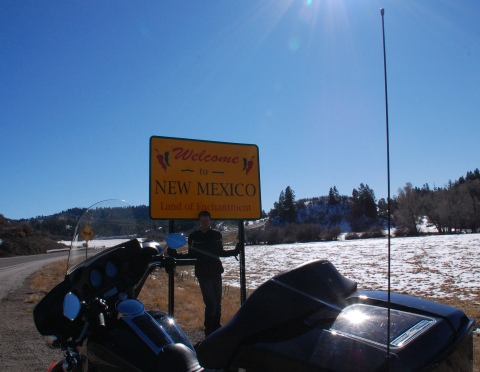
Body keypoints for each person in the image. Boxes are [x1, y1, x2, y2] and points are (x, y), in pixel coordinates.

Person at [173, 210, 239, 337]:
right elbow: (191, 255)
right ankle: (209, 330)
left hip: (216, 272)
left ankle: (217, 329)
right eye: (203, 221)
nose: (205, 222)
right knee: (211, 303)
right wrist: (177, 256)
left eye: (207, 220)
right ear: (199, 221)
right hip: (203, 274)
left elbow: (220, 252)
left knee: (218, 302)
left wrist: (234, 252)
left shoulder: (216, 234)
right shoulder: (194, 236)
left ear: (210, 220)